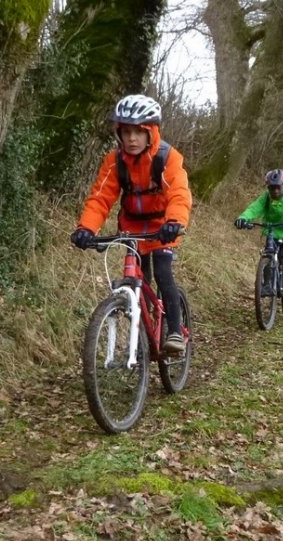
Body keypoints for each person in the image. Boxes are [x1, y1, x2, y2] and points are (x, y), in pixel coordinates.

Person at [70, 94, 192, 354]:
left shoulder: (167, 158)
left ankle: (173, 332)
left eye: (138, 131)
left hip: (163, 226)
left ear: (151, 132)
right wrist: (86, 228)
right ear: (119, 133)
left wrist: (174, 221)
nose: (131, 139)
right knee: (136, 279)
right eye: (126, 132)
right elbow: (101, 197)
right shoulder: (115, 161)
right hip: (132, 228)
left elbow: (179, 194)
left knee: (162, 272)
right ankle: (144, 336)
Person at [234, 169, 283, 297]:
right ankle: (267, 285)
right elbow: (254, 208)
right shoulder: (266, 197)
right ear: (268, 187)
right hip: (273, 232)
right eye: (272, 188)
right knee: (269, 254)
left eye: (278, 188)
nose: (275, 191)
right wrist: (243, 218)